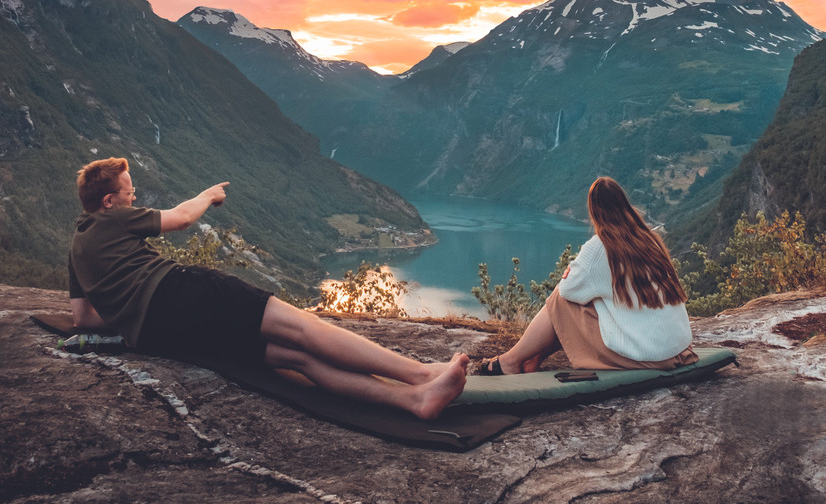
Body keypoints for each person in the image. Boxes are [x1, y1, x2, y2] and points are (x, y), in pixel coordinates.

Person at [68, 157, 468, 419]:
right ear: (109, 201)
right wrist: (208, 195)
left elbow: (83, 317)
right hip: (182, 292)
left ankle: (414, 401)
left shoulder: (77, 247)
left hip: (161, 336)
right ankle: (419, 375)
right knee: (304, 328)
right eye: (129, 193)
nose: (135, 197)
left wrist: (131, 312)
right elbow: (183, 218)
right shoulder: (112, 219)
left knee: (295, 358)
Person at [478, 176, 697, 375]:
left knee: (560, 299)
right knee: (586, 297)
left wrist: (571, 274)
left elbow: (567, 291)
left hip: (647, 356)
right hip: (676, 348)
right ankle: (532, 358)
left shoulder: (601, 247)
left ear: (594, 211)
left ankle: (511, 360)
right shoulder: (649, 239)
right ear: (624, 205)